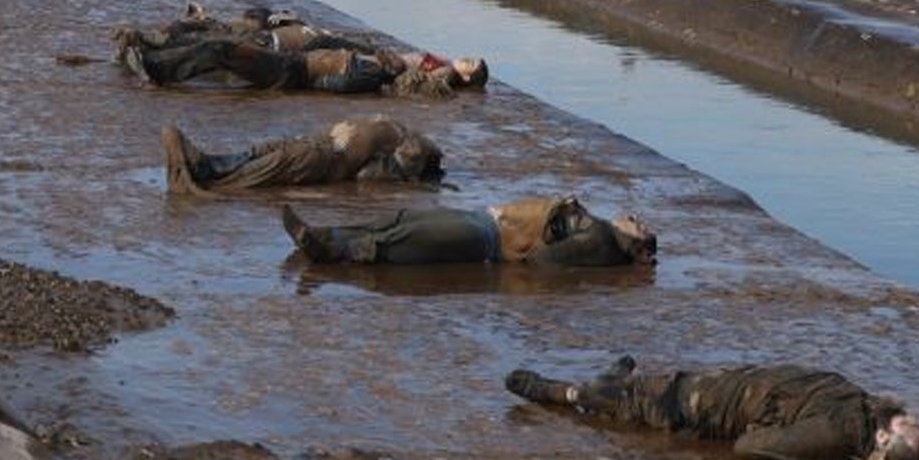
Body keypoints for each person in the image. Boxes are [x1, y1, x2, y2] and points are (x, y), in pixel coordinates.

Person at [502, 356, 919, 460]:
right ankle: (554, 390)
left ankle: (615, 377)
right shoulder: (842, 431)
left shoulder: (859, 398)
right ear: (880, 434)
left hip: (725, 380)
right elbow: (750, 448)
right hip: (700, 406)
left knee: (640, 392)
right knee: (616, 405)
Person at [281, 195, 656, 268]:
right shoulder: (600, 230)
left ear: (637, 244)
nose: (636, 217)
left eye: (640, 226)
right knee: (402, 219)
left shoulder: (601, 238)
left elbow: (544, 260)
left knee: (408, 238)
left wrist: (530, 239)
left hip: (490, 239)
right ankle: (321, 233)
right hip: (486, 220)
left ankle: (331, 251)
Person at [123, 34, 486, 96]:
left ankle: (155, 67)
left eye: (474, 64)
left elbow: (425, 87)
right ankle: (157, 62)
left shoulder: (445, 72)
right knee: (221, 53)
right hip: (300, 64)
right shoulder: (440, 63)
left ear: (469, 75)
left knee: (221, 50)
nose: (468, 58)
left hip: (295, 69)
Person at [163, 116, 442, 194]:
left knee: (261, 167)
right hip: (309, 145)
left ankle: (201, 175)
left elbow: (367, 177)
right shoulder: (395, 131)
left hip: (320, 155)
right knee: (257, 155)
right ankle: (204, 165)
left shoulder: (404, 149)